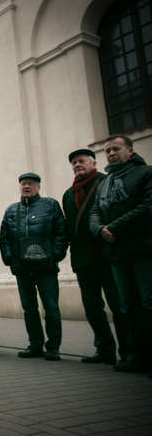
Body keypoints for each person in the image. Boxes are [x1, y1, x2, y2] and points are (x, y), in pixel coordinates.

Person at [89, 135, 152, 375]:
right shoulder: (106, 182)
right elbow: (95, 210)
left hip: (143, 250)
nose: (111, 153)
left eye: (116, 149)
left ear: (130, 151)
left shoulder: (146, 173)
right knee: (128, 306)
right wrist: (99, 229)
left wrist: (113, 228)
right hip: (117, 253)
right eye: (107, 151)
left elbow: (147, 207)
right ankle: (138, 356)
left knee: (149, 304)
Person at [62, 148, 130, 365]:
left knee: (118, 305)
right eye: (74, 162)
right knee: (92, 308)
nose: (77, 165)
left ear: (93, 163)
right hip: (83, 260)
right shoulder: (68, 194)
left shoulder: (106, 183)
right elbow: (70, 227)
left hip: (107, 256)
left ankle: (128, 351)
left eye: (81, 161)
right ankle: (105, 349)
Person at [0, 173, 67, 361]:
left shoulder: (50, 205)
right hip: (22, 268)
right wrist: (10, 260)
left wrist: (55, 255)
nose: (26, 186)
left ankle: (53, 347)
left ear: (38, 186)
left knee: (51, 307)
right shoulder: (12, 210)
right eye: (23, 184)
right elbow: (4, 237)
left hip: (46, 268)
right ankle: (35, 344)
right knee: (29, 308)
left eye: (30, 183)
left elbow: (61, 232)